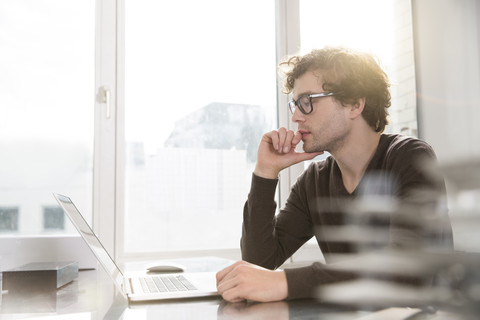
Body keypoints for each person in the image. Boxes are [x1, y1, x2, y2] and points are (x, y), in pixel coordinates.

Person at [215, 47, 453, 303]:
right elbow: (258, 263)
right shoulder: (314, 181)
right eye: (296, 104)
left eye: (307, 102)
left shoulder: (410, 158)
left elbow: (404, 271)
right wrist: (265, 173)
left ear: (354, 104)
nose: (295, 116)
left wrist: (285, 282)